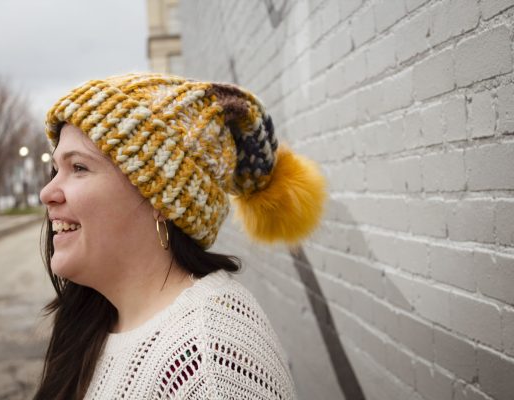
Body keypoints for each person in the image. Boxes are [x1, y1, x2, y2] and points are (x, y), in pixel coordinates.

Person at [33, 73, 327, 400]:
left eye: (79, 167)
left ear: (163, 200)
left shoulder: (209, 361)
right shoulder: (96, 322)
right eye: (55, 170)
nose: (47, 193)